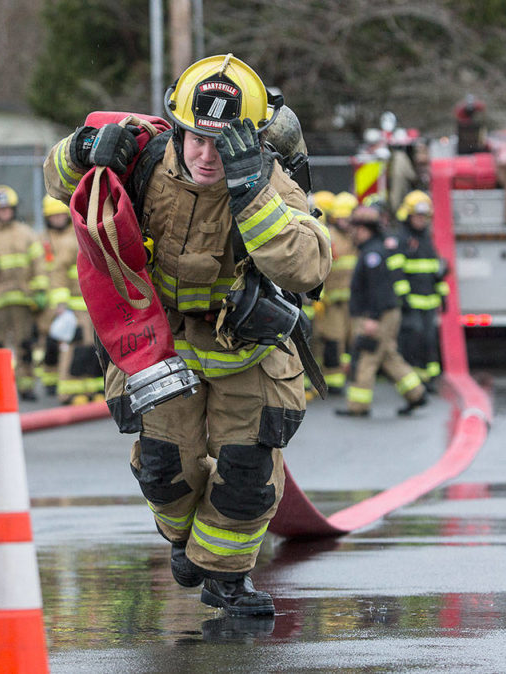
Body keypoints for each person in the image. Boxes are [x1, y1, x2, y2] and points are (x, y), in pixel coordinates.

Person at [44, 53, 332, 616]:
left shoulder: (268, 180)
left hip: (243, 345)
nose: (206, 155)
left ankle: (226, 580)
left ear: (247, 136)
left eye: (221, 143)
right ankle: (184, 541)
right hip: (159, 341)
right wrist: (82, 150)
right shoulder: (144, 159)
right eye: (195, 139)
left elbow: (309, 267)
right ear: (177, 128)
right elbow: (58, 180)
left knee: (246, 474)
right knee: (164, 470)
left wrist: (253, 194)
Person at [336, 205, 427, 418]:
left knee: (367, 356)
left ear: (365, 230)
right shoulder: (372, 250)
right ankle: (416, 393)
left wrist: (373, 319)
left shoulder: (372, 255)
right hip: (383, 313)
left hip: (378, 315)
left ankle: (357, 406)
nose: (353, 234)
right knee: (388, 356)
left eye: (356, 229)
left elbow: (379, 290)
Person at [0, 185, 47, 401]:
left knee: (25, 345)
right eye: (0, 210)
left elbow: (39, 264)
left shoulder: (26, 234)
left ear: (13, 209)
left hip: (23, 301)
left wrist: (41, 290)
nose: (4, 213)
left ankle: (26, 386)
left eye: (7, 209)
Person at [39, 195, 102, 404]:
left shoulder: (94, 237)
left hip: (92, 306)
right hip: (75, 307)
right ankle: (69, 391)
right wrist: (61, 305)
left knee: (93, 349)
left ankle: (93, 388)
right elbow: (57, 274)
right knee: (74, 348)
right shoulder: (70, 242)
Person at [395, 191, 449, 388]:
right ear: (408, 216)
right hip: (411, 302)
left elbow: (435, 271)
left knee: (429, 340)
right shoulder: (403, 239)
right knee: (413, 340)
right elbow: (397, 269)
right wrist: (403, 296)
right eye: (418, 216)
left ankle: (430, 377)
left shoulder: (427, 239)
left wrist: (443, 295)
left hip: (429, 301)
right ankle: (415, 380)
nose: (421, 220)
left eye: (424, 217)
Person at [313, 191, 359, 395]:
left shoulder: (355, 237)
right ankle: (333, 379)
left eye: (348, 218)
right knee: (333, 339)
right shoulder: (329, 236)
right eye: (341, 218)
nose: (345, 222)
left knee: (351, 341)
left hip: (353, 302)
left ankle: (343, 376)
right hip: (332, 302)